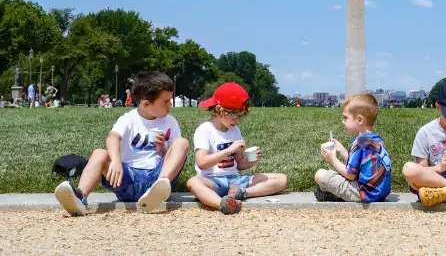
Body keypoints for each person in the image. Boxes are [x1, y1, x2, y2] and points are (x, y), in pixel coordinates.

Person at [54, 71, 189, 216]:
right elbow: (112, 138)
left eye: (170, 101)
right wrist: (116, 161)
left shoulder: (170, 122)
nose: (170, 106)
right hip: (128, 178)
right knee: (99, 153)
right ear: (146, 103)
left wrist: (162, 148)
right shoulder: (128, 119)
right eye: (165, 102)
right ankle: (80, 198)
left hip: (158, 177)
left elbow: (174, 156)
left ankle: (158, 189)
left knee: (181, 143)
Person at [186, 83, 288, 214]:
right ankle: (222, 204)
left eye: (240, 116)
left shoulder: (234, 130)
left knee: (281, 179)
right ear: (220, 110)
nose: (237, 121)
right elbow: (202, 163)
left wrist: (251, 161)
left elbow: (239, 163)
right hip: (212, 180)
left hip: (235, 180)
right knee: (193, 182)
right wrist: (229, 150)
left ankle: (242, 193)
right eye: (235, 116)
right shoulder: (205, 130)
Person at [314, 92, 392, 203]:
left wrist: (333, 160)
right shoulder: (376, 140)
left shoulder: (359, 143)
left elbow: (350, 175)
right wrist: (341, 150)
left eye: (345, 118)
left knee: (320, 175)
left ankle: (332, 195)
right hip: (380, 192)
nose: (343, 122)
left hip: (363, 193)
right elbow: (358, 166)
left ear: (360, 120)